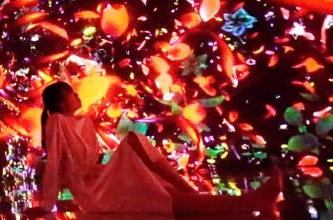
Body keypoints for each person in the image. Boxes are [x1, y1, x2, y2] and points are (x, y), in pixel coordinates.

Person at [32, 81, 281, 219]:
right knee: (164, 191)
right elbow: (56, 167)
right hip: (95, 189)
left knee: (166, 192)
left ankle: (248, 207)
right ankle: (250, 201)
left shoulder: (75, 122)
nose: (77, 95)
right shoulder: (57, 122)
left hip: (99, 180)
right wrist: (48, 205)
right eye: (72, 93)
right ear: (61, 102)